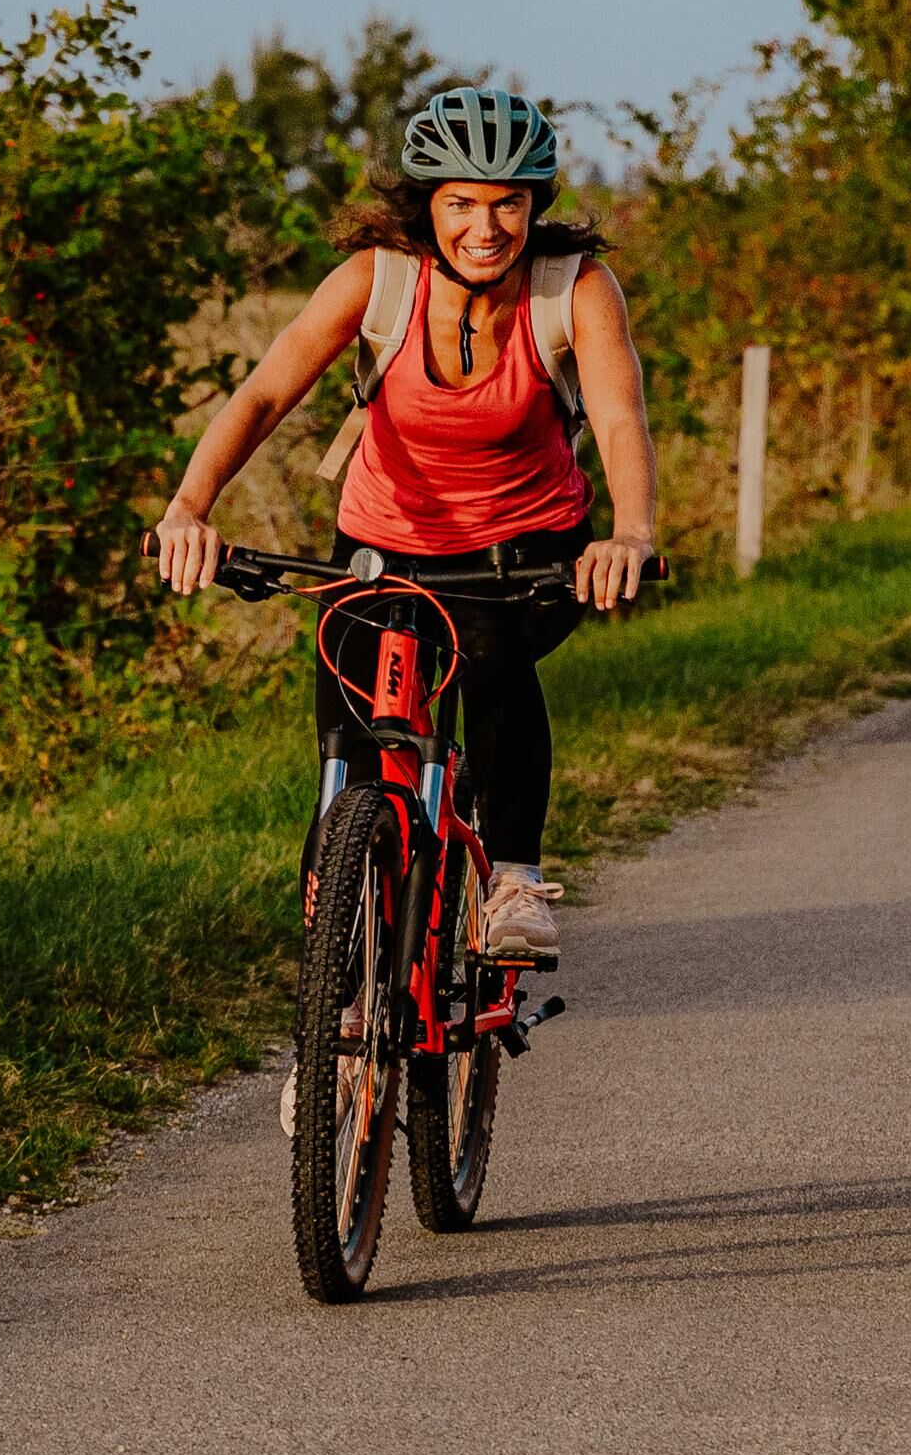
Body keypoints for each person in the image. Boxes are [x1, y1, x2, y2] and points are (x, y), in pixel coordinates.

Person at [147, 87, 659, 966]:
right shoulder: (378, 281)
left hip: (524, 553)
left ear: (537, 205)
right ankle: (338, 1014)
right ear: (427, 204)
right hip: (380, 545)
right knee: (345, 751)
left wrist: (632, 534)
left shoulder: (572, 288)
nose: (486, 226)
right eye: (461, 202)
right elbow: (265, 393)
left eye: (508, 203)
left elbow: (618, 418)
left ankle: (513, 880)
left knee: (492, 663)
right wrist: (189, 507)